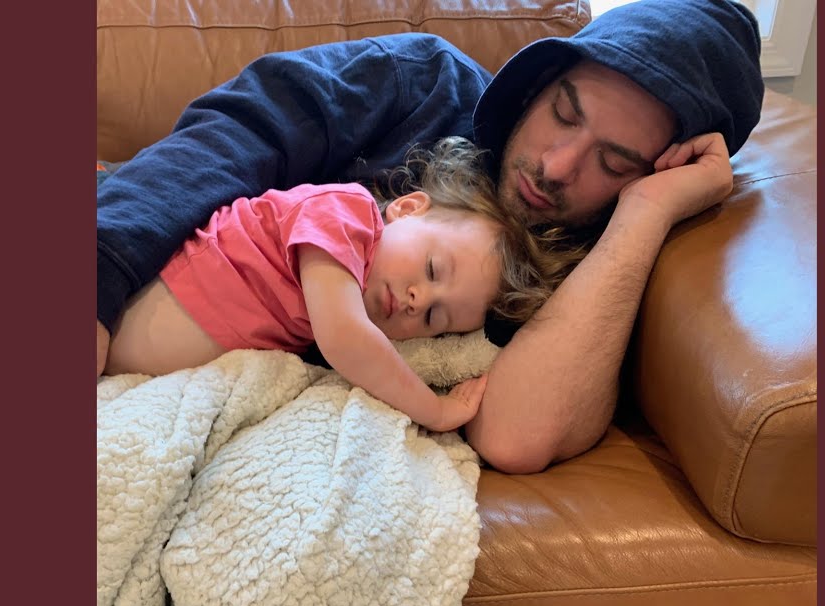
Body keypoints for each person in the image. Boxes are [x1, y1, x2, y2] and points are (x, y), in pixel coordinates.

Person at [96, 0, 765, 472]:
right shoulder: (418, 79)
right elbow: (235, 135)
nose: (557, 167)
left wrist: (646, 213)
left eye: (614, 164)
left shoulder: (598, 259)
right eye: (564, 114)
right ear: (538, 85)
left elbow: (516, 437)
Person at [103, 138, 565, 433]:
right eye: (432, 268)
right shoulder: (345, 213)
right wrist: (436, 411)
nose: (418, 299)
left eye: (433, 318)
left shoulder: (332, 313)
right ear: (407, 209)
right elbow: (346, 338)